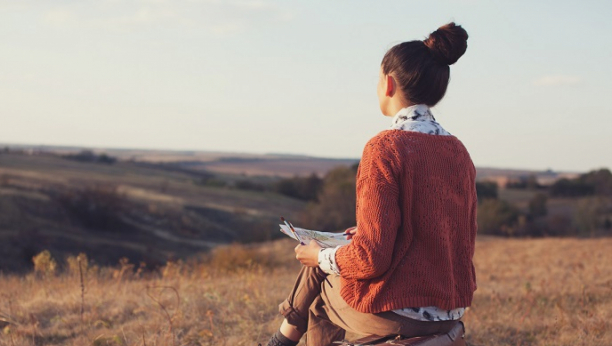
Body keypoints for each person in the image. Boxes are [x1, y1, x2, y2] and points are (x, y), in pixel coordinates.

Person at [264, 22, 477, 346]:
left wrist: (318, 258)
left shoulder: (385, 148)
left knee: (320, 290)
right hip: (449, 308)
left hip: (399, 311)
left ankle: (280, 341)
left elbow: (371, 259)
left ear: (388, 84)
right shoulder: (458, 151)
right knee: (329, 260)